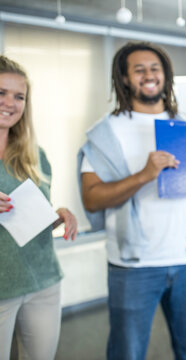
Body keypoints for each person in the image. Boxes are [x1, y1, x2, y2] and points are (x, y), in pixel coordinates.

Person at [78, 42, 186, 360]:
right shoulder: (105, 133)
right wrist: (143, 175)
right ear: (124, 79)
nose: (149, 75)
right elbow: (92, 199)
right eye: (139, 69)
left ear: (165, 75)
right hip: (133, 265)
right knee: (127, 353)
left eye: (155, 68)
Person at [0, 55, 78, 360]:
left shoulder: (34, 155)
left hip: (43, 280)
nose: (10, 102)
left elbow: (32, 219)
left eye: (19, 96)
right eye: (1, 92)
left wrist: (59, 216)